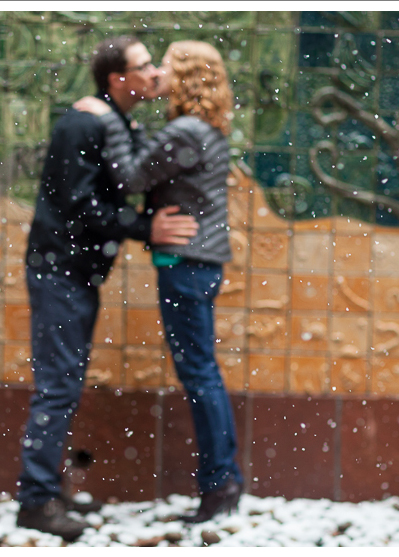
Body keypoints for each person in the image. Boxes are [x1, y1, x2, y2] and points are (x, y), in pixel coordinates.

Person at [15, 36, 200, 542]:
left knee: (65, 382)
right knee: (58, 385)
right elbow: (80, 206)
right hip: (59, 271)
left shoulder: (116, 120)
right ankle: (35, 501)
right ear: (118, 79)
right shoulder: (84, 122)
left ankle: (45, 492)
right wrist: (146, 228)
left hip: (76, 271)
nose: (155, 73)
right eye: (144, 67)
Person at [74, 40, 244, 524]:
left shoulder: (186, 131)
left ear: (186, 77)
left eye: (166, 66)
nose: (157, 74)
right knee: (202, 372)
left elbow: (129, 177)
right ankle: (223, 481)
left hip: (186, 265)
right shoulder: (200, 128)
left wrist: (105, 117)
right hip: (197, 265)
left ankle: (220, 484)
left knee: (199, 375)